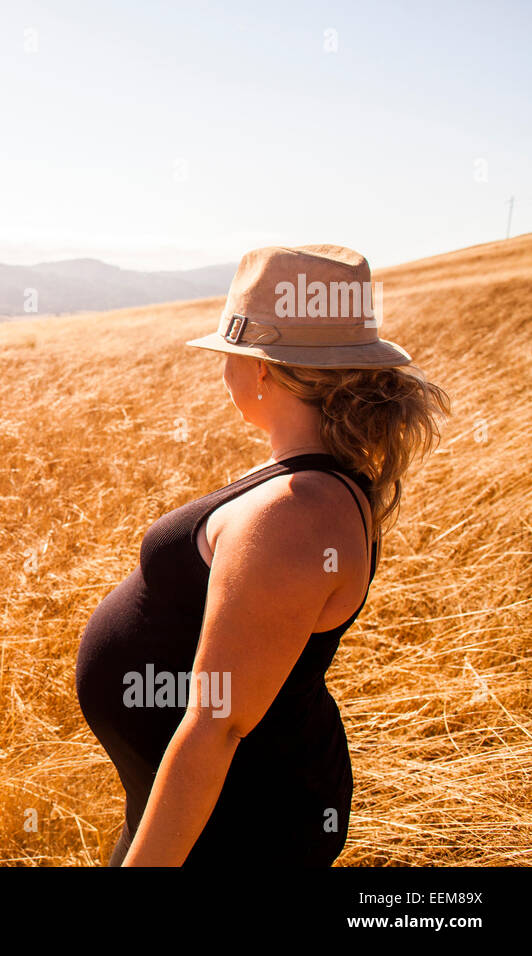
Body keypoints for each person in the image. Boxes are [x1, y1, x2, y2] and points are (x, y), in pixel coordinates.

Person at [74, 244, 450, 866]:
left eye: (231, 355)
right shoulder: (302, 475)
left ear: (263, 370)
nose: (225, 370)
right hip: (216, 805)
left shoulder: (296, 514)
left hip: (236, 822)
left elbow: (215, 725)